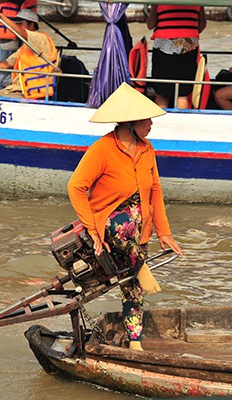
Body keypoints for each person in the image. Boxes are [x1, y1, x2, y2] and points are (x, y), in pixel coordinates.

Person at [67, 83, 183, 352]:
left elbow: (155, 190)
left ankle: (135, 342)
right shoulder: (102, 149)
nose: (152, 124)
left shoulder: (147, 149)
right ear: (130, 123)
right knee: (126, 223)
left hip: (136, 235)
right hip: (110, 228)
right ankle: (140, 266)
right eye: (147, 120)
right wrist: (92, 231)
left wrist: (164, 232)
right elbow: (76, 187)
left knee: (133, 289)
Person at [0, 7, 57, 99]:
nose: (17, 26)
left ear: (31, 25)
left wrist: (0, 15)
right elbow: (7, 63)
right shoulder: (26, 46)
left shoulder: (40, 38)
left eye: (20, 24)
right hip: (19, 89)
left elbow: (21, 32)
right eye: (16, 24)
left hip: (33, 92)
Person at [146, 4, 206, 109]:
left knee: (161, 92)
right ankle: (181, 122)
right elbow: (202, 25)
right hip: (188, 45)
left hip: (163, 45)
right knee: (182, 94)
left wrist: (154, 6)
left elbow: (150, 25)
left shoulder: (159, 1)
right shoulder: (197, 1)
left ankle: (161, 122)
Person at [0, 0, 38, 92]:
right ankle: (0, 90)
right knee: (5, 70)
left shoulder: (38, 38)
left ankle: (15, 90)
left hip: (26, 35)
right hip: (8, 36)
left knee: (20, 67)